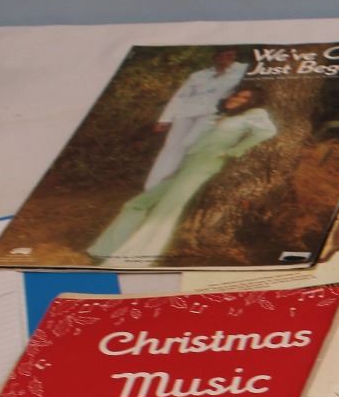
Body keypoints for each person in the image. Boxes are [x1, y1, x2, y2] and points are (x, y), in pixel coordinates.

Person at [88, 84, 277, 265]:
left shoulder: (254, 114)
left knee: (165, 212)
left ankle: (133, 259)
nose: (237, 99)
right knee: (135, 204)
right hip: (187, 166)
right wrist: (177, 170)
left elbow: (268, 131)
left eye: (245, 98)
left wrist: (233, 151)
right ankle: (105, 249)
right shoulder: (225, 115)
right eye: (237, 95)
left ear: (253, 102)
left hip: (204, 166)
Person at [144, 49, 248, 190]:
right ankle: (153, 186)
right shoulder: (199, 75)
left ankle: (175, 185)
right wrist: (166, 118)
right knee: (171, 146)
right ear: (215, 57)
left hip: (211, 113)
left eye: (230, 55)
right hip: (185, 113)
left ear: (235, 56)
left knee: (191, 145)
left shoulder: (242, 70)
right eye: (221, 55)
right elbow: (180, 96)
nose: (226, 58)